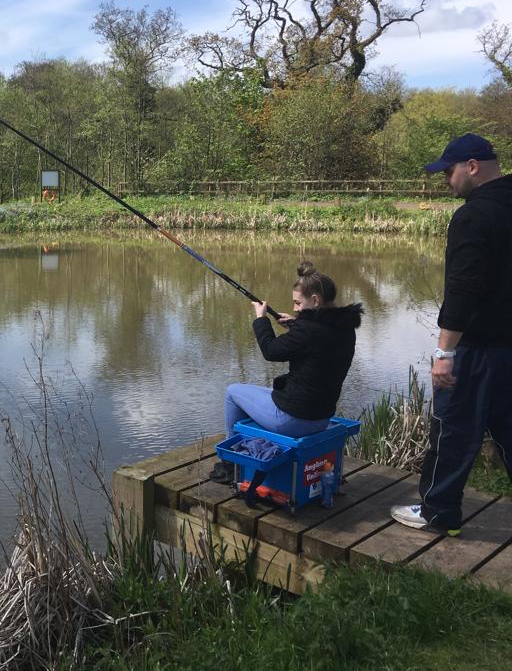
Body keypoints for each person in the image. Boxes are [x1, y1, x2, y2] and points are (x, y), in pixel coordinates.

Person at [390, 133, 512, 537]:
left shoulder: (472, 216)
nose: (446, 180)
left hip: (477, 350)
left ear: (472, 166)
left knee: (453, 427)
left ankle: (438, 512)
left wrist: (445, 353)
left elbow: (463, 290)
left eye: (448, 171)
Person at [209, 262, 363, 484]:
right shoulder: (344, 328)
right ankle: (246, 451)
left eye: (298, 303)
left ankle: (231, 464)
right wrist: (296, 324)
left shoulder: (307, 331)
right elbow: (318, 344)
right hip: (321, 418)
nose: (295, 308)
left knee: (233, 392)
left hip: (294, 420)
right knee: (263, 391)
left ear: (316, 300)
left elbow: (271, 351)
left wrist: (261, 319)